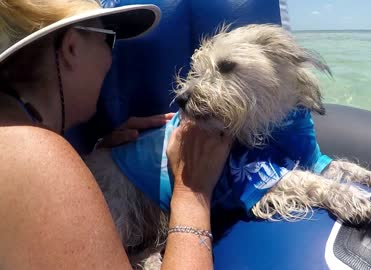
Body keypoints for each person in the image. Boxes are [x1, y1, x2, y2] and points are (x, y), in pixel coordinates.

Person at [0, 1, 231, 269]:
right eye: (108, 40)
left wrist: (94, 166)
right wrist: (192, 192)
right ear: (72, 47)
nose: (111, 59)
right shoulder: (34, 155)